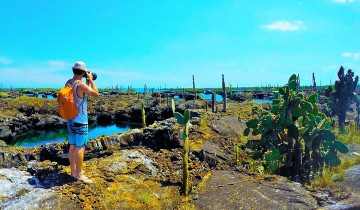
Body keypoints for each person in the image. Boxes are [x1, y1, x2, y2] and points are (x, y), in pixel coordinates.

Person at [66, 61, 99, 184]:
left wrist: (86, 81)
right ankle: (79, 175)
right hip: (80, 121)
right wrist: (91, 80)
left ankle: (73, 171)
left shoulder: (68, 82)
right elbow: (95, 94)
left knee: (72, 146)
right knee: (80, 147)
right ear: (84, 72)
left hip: (70, 120)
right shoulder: (81, 85)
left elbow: (82, 93)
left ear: (73, 70)